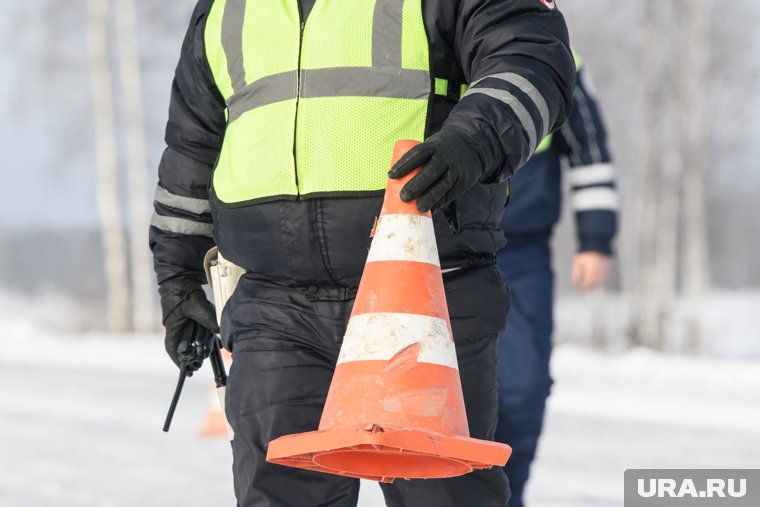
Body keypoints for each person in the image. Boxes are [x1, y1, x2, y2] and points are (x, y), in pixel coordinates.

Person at [149, 0, 574, 505]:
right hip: (275, 307)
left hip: (427, 293)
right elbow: (194, 143)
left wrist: (474, 139)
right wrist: (177, 272)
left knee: (441, 494)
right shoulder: (224, 7)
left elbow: (530, 58)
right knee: (281, 493)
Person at [494, 53, 619, 507]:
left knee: (521, 391)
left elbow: (591, 150)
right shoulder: (418, 25)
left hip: (518, 254)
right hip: (423, 250)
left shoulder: (554, 53)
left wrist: (596, 239)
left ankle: (509, 496)